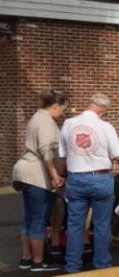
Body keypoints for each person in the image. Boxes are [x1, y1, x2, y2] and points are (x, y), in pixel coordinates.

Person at [58, 93, 119, 273]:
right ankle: (102, 266)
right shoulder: (106, 126)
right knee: (101, 224)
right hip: (100, 178)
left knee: (75, 225)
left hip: (75, 178)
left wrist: (61, 175)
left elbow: (62, 156)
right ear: (103, 109)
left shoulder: (69, 124)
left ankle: (73, 267)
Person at [12, 90, 69, 272]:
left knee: (29, 218)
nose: (63, 113)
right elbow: (46, 151)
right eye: (62, 109)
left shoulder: (35, 118)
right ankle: (38, 262)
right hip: (36, 175)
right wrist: (55, 176)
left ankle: (26, 258)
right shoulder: (45, 122)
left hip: (24, 172)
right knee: (39, 219)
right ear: (55, 106)